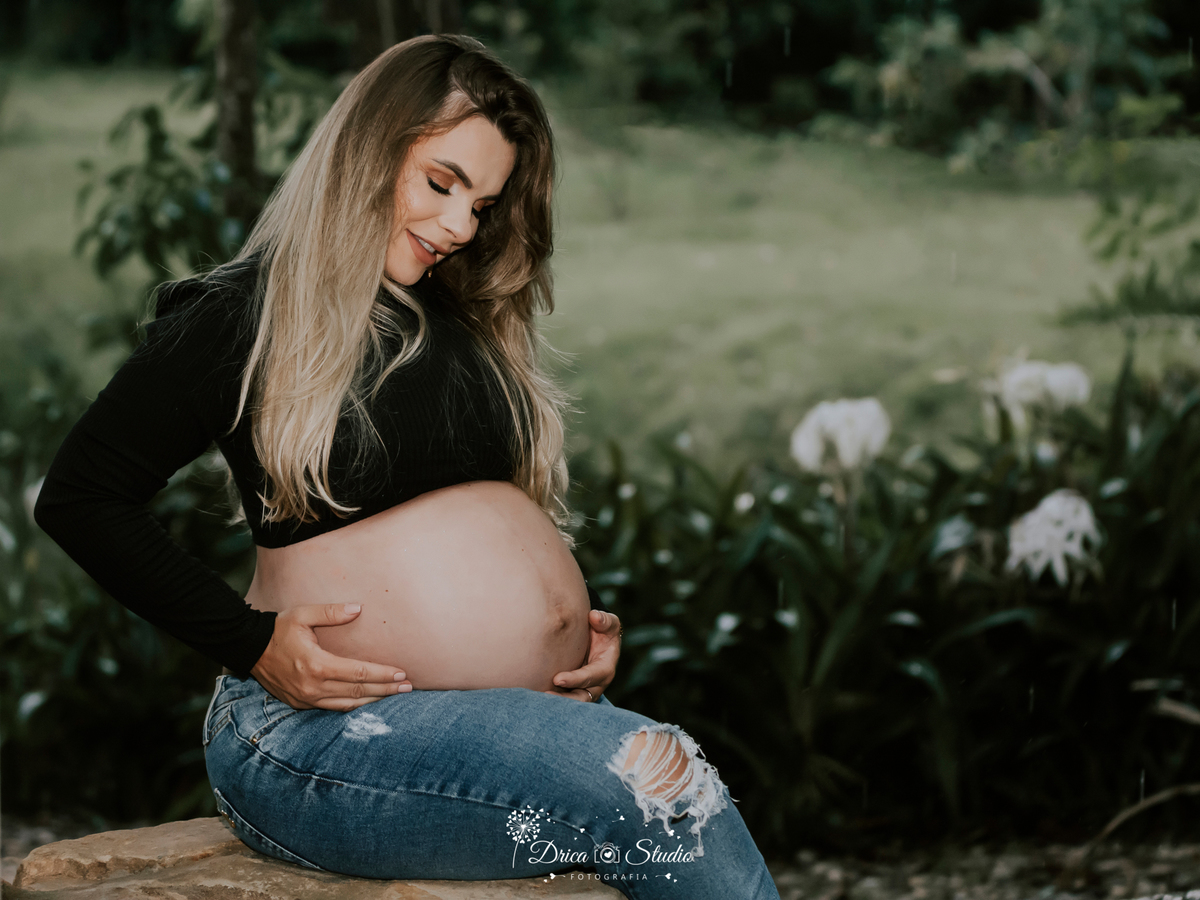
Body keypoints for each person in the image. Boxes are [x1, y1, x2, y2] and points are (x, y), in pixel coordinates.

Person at [35, 34, 782, 899]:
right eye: (441, 183)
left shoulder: (460, 323)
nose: (461, 227)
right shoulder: (244, 316)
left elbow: (475, 524)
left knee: (668, 796)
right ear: (366, 153)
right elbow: (82, 497)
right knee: (662, 781)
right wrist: (250, 643)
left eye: (483, 205)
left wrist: (562, 630)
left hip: (500, 718)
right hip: (322, 738)